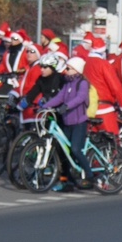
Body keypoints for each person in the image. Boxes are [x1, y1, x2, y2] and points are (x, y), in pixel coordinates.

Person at [44, 57, 93, 190]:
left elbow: (81, 97)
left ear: (76, 69)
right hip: (67, 121)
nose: (65, 70)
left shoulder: (81, 82)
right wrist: (45, 106)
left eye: (68, 68)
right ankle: (70, 182)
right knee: (66, 152)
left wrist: (66, 106)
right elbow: (59, 97)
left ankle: (90, 175)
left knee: (75, 149)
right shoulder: (67, 83)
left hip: (78, 122)